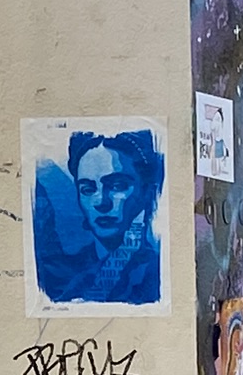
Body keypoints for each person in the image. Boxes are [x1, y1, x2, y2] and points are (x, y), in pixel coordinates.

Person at [32, 124, 166, 309]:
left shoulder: (159, 273)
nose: (101, 202)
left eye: (117, 186)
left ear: (146, 192)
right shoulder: (63, 279)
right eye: (87, 189)